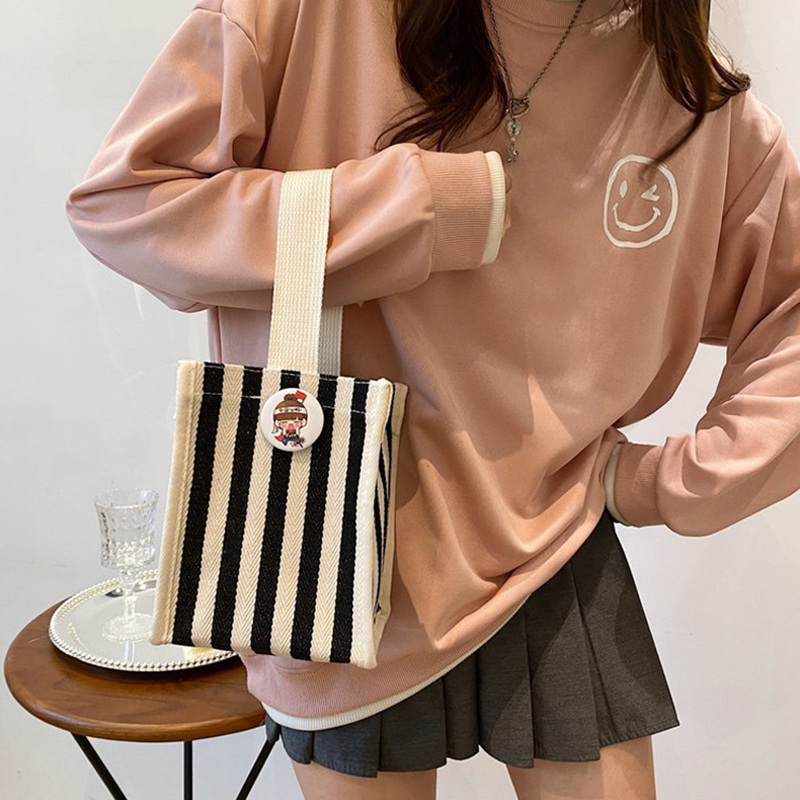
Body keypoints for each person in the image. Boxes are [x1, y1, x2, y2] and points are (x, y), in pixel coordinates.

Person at [64, 0, 800, 798]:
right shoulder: (304, 15)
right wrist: (407, 207)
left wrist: (673, 483)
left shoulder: (687, 94)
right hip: (334, 538)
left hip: (558, 533)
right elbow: (125, 205)